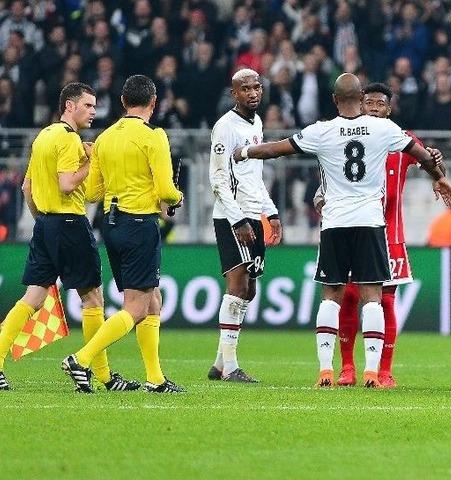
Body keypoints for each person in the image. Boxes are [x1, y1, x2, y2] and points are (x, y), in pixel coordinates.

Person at [233, 73, 451, 388]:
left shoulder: (323, 130)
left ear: (336, 100)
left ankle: (326, 371)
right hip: (370, 222)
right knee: (373, 299)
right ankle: (371, 373)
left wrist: (242, 152)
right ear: (361, 101)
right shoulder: (383, 129)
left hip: (335, 224)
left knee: (331, 297)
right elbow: (421, 154)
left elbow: (277, 149)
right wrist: (439, 176)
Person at [0, 83, 138, 392]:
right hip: (70, 224)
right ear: (69, 106)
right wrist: (92, 160)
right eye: (88, 106)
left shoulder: (44, 136)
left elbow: (27, 188)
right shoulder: (68, 139)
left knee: (32, 298)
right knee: (92, 299)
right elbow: (66, 184)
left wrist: (43, 223)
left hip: (46, 224)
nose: (93, 111)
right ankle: (101, 375)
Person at [313, 82, 448, 388]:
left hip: (390, 237)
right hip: (352, 228)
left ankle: (383, 371)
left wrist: (439, 170)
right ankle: (347, 368)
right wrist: (321, 200)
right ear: (360, 104)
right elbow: (323, 186)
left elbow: (433, 163)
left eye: (380, 104)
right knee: (348, 297)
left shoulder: (401, 140)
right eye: (369, 103)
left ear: (389, 109)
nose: (373, 108)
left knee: (385, 303)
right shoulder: (345, 138)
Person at [61, 75, 184, 394]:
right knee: (137, 306)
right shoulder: (154, 136)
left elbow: (92, 193)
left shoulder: (104, 138)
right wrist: (176, 198)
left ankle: (155, 379)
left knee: (152, 299)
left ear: (122, 102)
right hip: (140, 224)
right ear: (154, 103)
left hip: (111, 224)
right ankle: (81, 358)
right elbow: (165, 189)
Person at [206, 69, 281, 384]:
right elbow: (218, 178)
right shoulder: (225, 127)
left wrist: (271, 211)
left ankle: (220, 363)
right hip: (231, 217)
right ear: (234, 93)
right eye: (245, 89)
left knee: (249, 289)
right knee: (237, 285)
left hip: (253, 213)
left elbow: (254, 175)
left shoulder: (257, 123)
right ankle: (232, 367)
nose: (253, 93)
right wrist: (237, 219)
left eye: (256, 87)